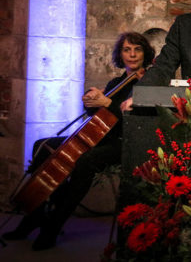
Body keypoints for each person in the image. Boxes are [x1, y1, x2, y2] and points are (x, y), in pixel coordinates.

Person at [2, 32, 155, 250]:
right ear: (120, 54)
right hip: (102, 136)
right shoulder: (118, 81)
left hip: (124, 141)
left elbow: (136, 121)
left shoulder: (148, 82)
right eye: (126, 49)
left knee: (86, 160)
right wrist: (90, 102)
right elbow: (100, 117)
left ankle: (53, 225)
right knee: (42, 145)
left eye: (137, 49)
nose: (132, 54)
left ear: (145, 53)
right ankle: (34, 214)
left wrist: (108, 102)